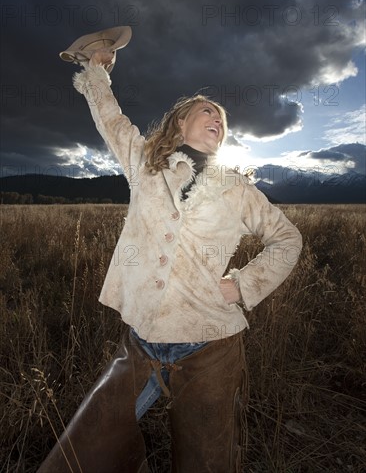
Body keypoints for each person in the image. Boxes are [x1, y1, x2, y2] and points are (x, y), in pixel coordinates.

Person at [38, 48, 302, 473]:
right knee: (83, 455)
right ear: (181, 122)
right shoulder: (145, 165)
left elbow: (288, 238)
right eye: (206, 111)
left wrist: (242, 284)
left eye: (221, 119)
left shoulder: (236, 188)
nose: (216, 119)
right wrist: (97, 69)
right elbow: (112, 121)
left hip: (210, 345)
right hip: (142, 340)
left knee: (207, 462)